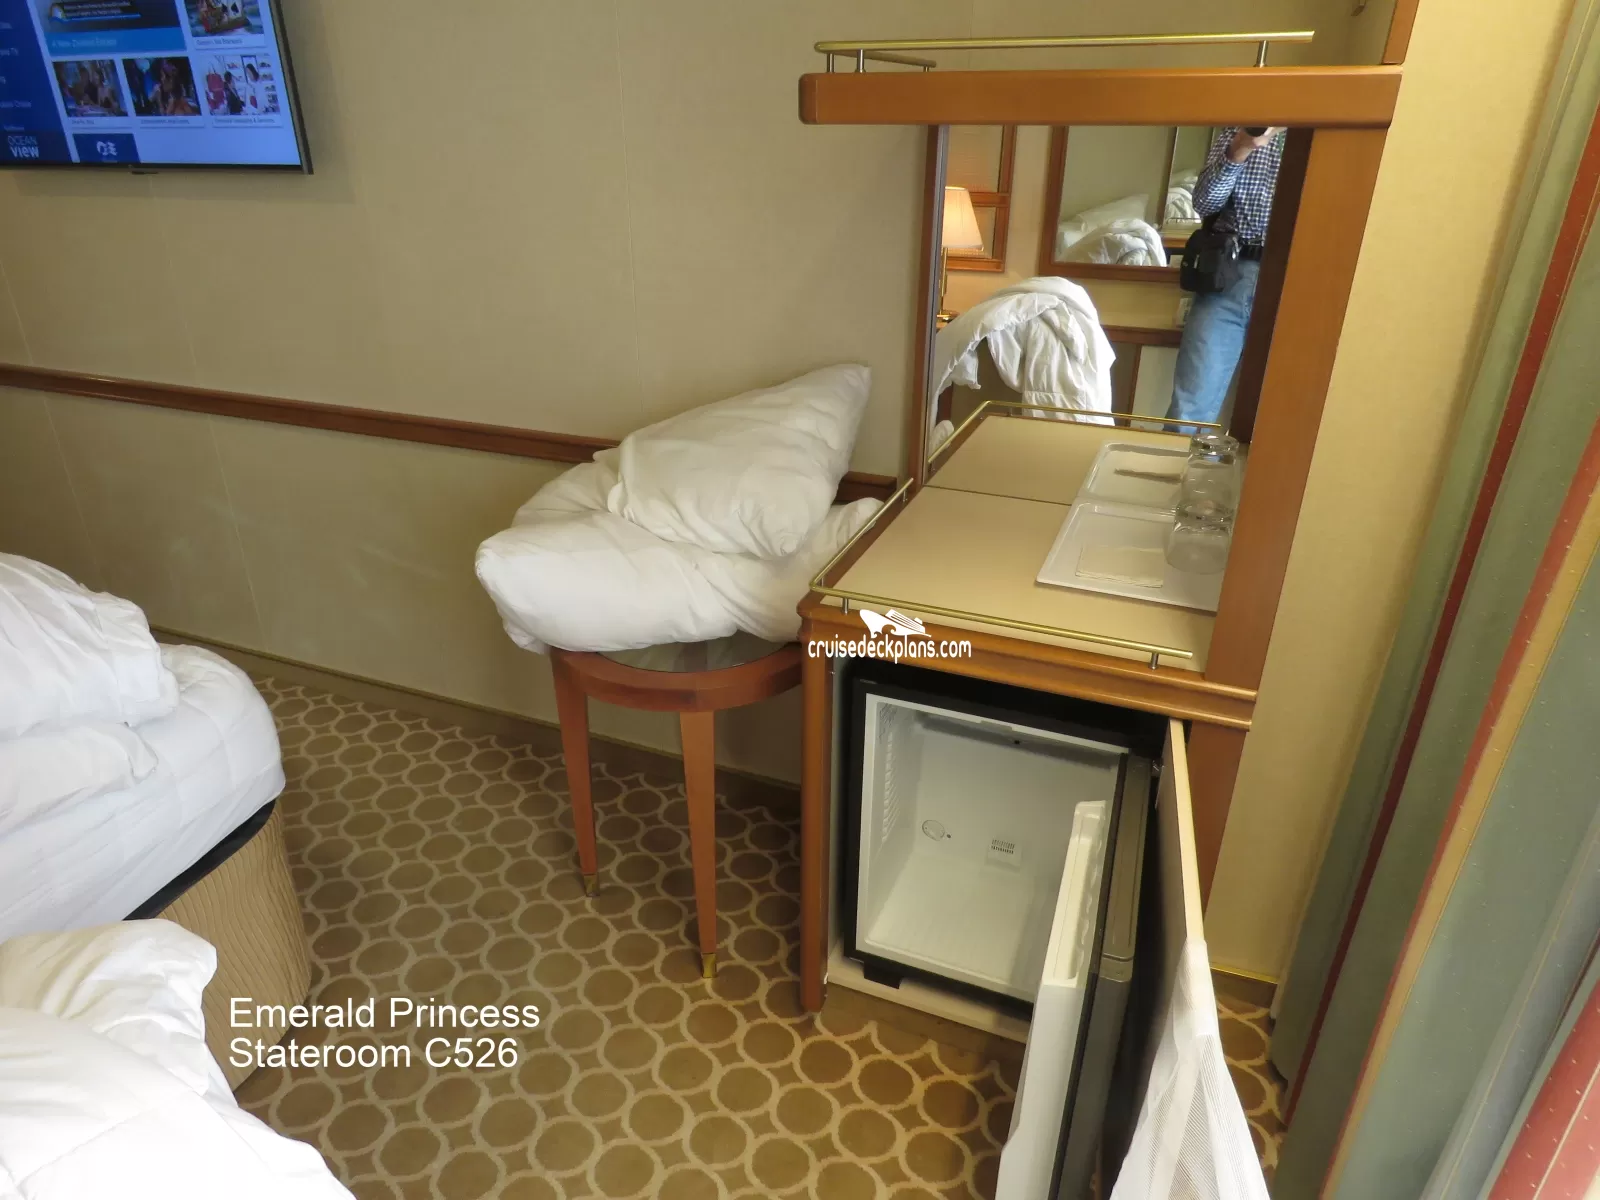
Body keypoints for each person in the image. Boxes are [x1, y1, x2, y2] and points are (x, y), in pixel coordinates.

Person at [1166, 126, 1285, 429]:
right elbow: (1203, 204)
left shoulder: (1329, 132)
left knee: (1288, 413)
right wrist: (1240, 148)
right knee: (1188, 408)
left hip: (1300, 281)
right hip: (1229, 275)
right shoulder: (1240, 127)